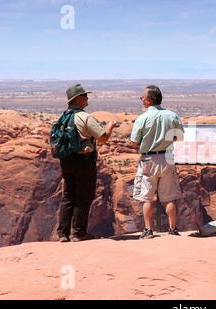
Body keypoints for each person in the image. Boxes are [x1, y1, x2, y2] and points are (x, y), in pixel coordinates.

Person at [57, 84, 117, 242]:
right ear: (77, 99)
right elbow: (102, 137)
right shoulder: (84, 117)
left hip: (66, 161)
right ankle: (78, 233)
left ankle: (63, 234)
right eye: (85, 96)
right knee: (83, 196)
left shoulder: (63, 117)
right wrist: (110, 126)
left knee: (68, 195)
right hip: (83, 161)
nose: (87, 98)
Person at [130, 85, 184, 239]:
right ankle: (173, 229)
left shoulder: (142, 118)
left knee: (147, 196)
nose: (141, 100)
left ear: (149, 100)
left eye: (142, 97)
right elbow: (178, 137)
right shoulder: (172, 116)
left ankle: (148, 230)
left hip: (148, 159)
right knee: (169, 196)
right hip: (167, 158)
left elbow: (134, 142)